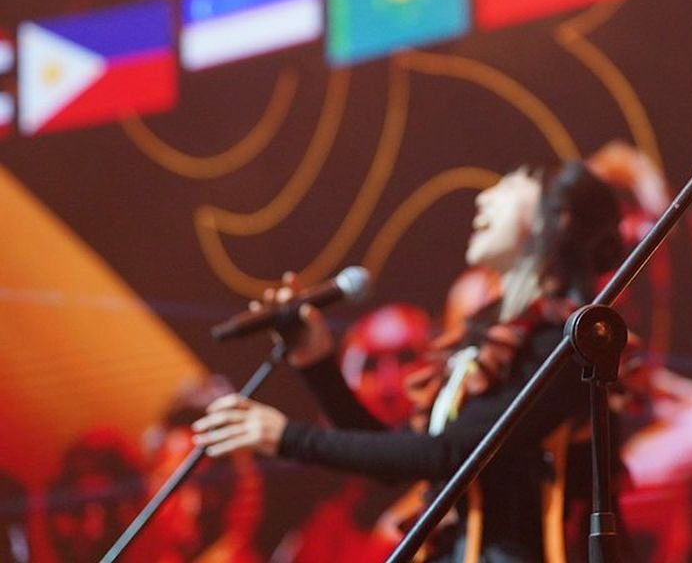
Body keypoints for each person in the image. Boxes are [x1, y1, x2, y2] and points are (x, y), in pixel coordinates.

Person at [192, 160, 625, 563]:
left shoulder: (569, 342)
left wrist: (289, 437)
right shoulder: (491, 340)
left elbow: (449, 454)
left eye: (509, 186)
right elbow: (405, 459)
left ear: (559, 218)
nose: (483, 198)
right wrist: (317, 362)